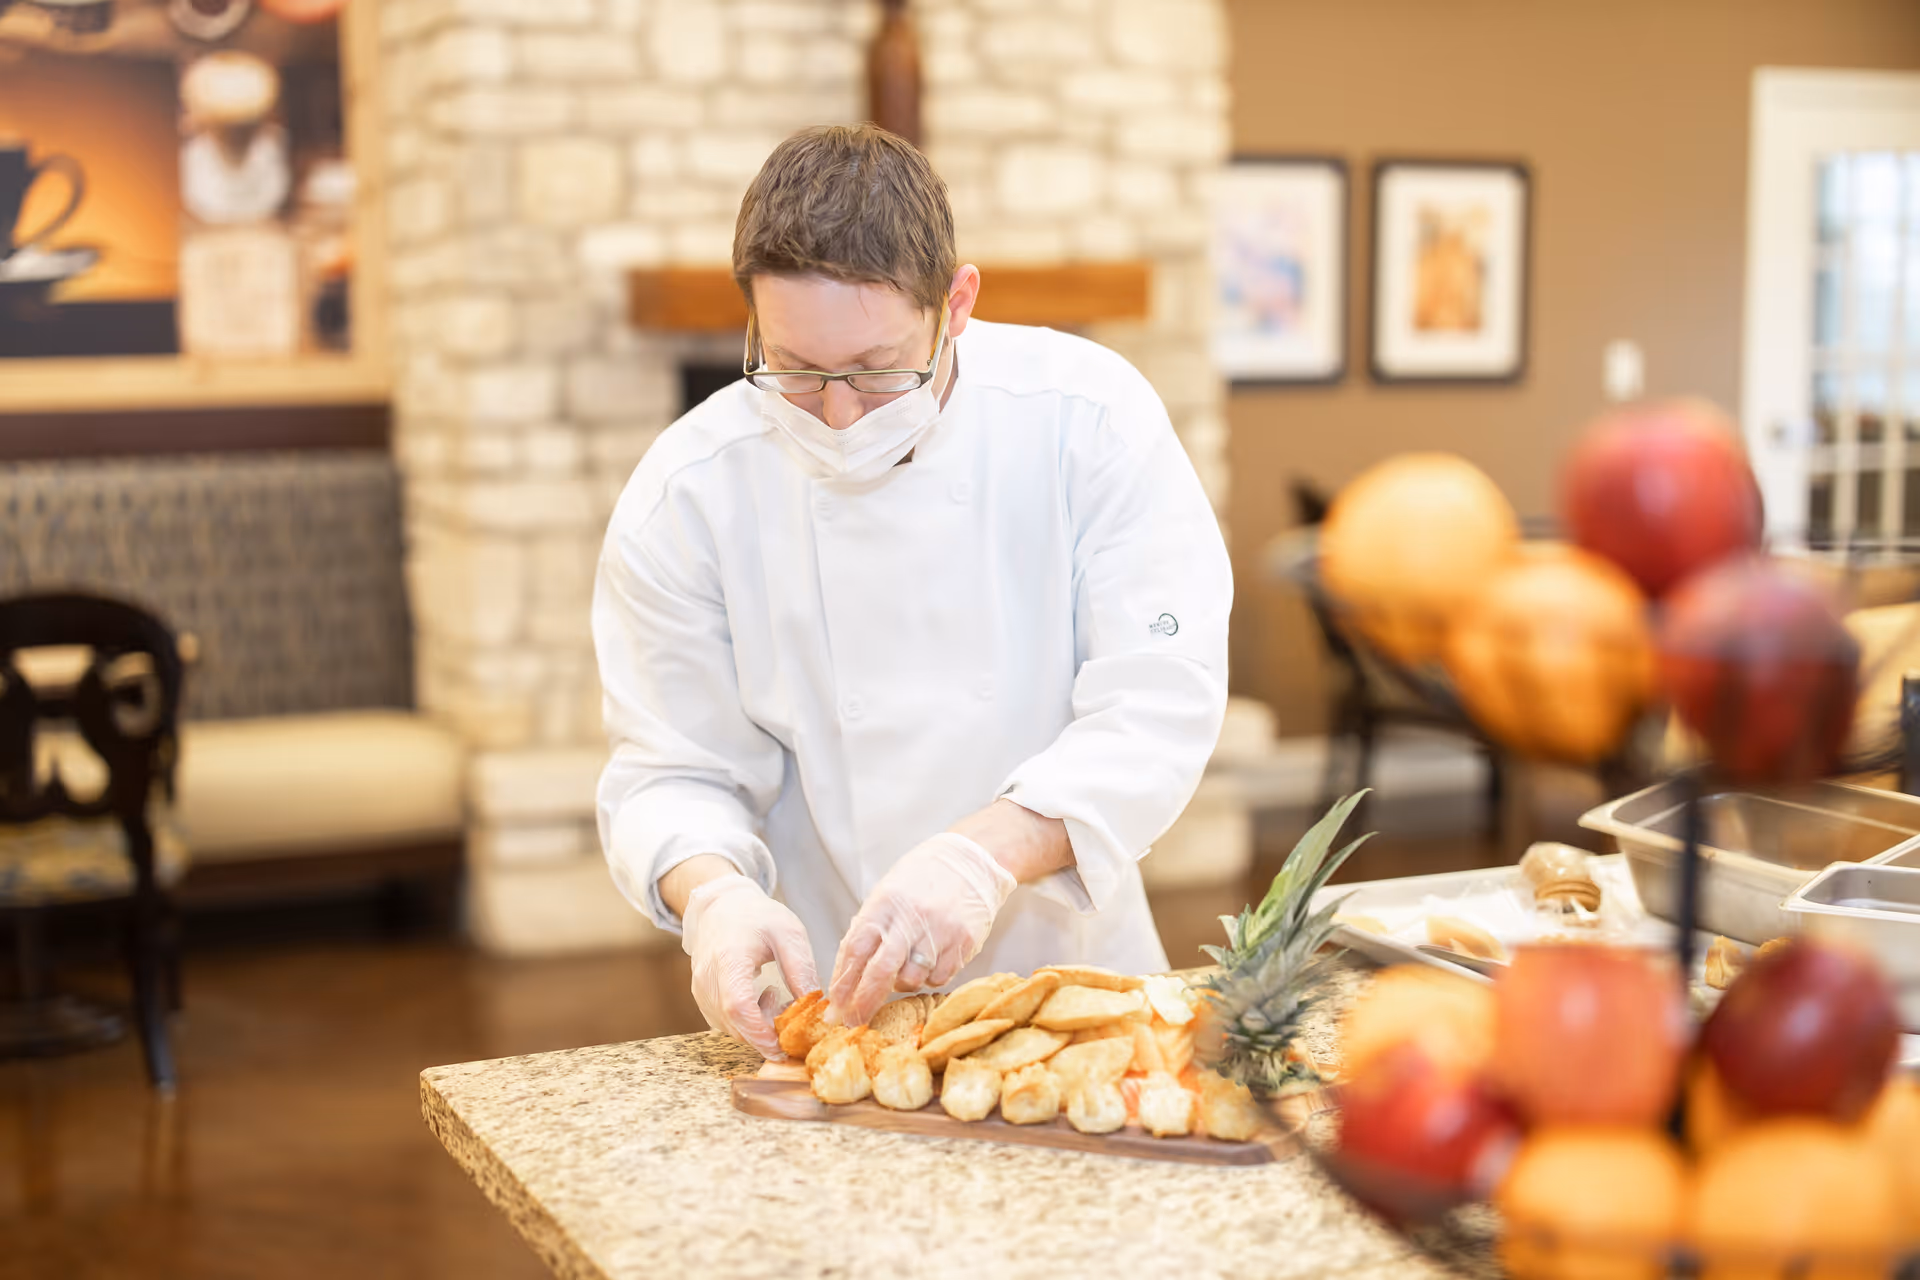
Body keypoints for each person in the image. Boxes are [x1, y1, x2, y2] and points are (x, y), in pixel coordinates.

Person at [592, 123, 1232, 1059]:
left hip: (1075, 984)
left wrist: (987, 852)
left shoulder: (1089, 420)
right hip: (827, 1006)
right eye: (799, 373)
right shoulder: (686, 493)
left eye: (882, 371)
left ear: (957, 302)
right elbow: (669, 768)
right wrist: (715, 896)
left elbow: (1160, 699)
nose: (841, 415)